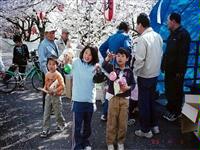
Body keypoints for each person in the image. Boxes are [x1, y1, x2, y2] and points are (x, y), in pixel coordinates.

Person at [133, 13, 163, 138]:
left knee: (144, 103)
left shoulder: (143, 39)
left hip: (144, 75)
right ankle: (154, 125)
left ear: (140, 24)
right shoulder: (158, 36)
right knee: (152, 101)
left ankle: (145, 130)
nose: (136, 27)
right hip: (155, 74)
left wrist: (134, 74)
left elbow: (139, 60)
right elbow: (161, 54)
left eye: (137, 24)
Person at [102, 48, 135, 150]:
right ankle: (110, 142)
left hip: (125, 100)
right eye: (118, 55)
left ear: (127, 58)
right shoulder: (112, 68)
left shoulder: (129, 71)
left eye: (122, 56)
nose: (120, 58)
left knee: (123, 122)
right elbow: (103, 65)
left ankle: (120, 141)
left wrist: (128, 87)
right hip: (113, 99)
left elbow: (133, 84)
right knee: (112, 121)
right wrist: (108, 58)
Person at [99, 21, 132, 121]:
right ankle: (121, 115)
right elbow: (128, 50)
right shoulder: (126, 37)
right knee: (122, 90)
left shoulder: (111, 37)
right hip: (121, 67)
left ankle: (105, 114)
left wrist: (109, 58)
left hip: (111, 67)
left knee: (111, 90)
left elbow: (101, 48)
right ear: (127, 29)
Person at [161, 12, 191, 121]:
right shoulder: (172, 33)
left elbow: (183, 55)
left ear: (173, 21)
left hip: (176, 70)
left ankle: (176, 112)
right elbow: (168, 51)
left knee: (176, 90)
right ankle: (170, 109)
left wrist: (180, 71)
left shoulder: (184, 35)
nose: (167, 23)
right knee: (169, 90)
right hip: (169, 69)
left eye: (168, 21)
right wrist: (163, 64)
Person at [71, 45, 99, 150]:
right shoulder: (76, 62)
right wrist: (65, 62)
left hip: (90, 100)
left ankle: (85, 141)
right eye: (86, 53)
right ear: (83, 52)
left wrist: (99, 71)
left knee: (87, 125)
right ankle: (77, 146)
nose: (87, 56)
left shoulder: (95, 67)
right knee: (77, 126)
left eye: (90, 54)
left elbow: (101, 80)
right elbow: (67, 71)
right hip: (78, 100)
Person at [40, 56, 67, 138]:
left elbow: (62, 86)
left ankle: (61, 124)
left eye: (53, 64)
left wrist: (55, 91)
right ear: (47, 65)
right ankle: (45, 129)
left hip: (56, 97)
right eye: (49, 64)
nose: (51, 66)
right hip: (48, 96)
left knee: (57, 112)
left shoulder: (58, 75)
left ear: (57, 65)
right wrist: (44, 89)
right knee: (46, 113)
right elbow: (46, 83)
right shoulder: (47, 74)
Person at [38, 24, 60, 110]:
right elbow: (42, 61)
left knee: (53, 89)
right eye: (50, 33)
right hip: (47, 71)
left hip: (54, 70)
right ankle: (47, 109)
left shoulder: (53, 42)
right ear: (46, 34)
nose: (52, 35)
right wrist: (47, 73)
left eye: (53, 33)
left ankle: (52, 108)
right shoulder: (43, 44)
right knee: (47, 90)